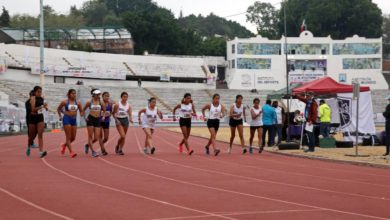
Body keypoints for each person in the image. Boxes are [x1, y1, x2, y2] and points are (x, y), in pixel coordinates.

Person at [57, 89, 84, 158]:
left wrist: (81, 114)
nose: (74, 95)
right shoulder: (65, 102)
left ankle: (64, 145)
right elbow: (58, 109)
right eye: (72, 93)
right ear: (69, 94)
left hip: (74, 120)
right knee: (68, 137)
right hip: (66, 119)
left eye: (75, 93)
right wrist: (60, 116)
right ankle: (71, 152)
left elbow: (81, 111)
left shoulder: (78, 103)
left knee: (73, 138)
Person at [83, 89, 105, 157]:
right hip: (91, 119)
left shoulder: (101, 102)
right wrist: (85, 118)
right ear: (94, 95)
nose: (99, 96)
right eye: (97, 95)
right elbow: (83, 110)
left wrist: (103, 116)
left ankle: (87, 145)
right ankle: (93, 151)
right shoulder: (89, 102)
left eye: (99, 95)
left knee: (96, 137)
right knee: (90, 136)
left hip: (97, 119)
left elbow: (104, 110)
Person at [27, 86, 48, 158]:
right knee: (31, 136)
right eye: (38, 92)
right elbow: (33, 109)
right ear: (35, 92)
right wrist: (42, 106)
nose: (39, 93)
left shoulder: (42, 98)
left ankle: (41, 152)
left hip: (40, 117)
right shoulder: (33, 98)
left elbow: (45, 108)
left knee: (40, 134)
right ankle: (28, 147)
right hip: (32, 117)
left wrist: (46, 107)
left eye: (40, 92)